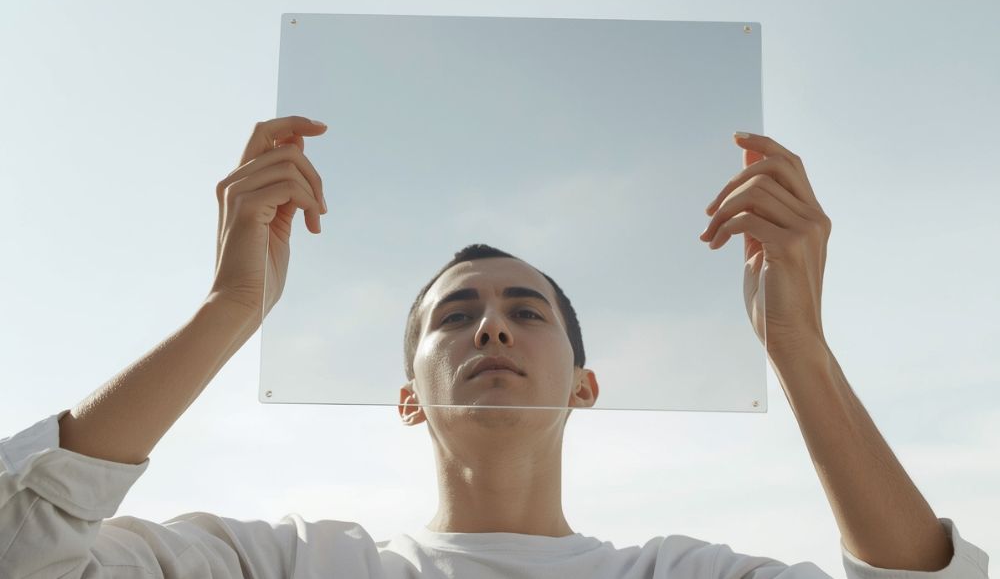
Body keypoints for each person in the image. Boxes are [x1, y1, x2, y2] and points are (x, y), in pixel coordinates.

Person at [0, 116, 989, 579]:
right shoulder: (292, 565)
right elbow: (22, 550)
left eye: (527, 309)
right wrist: (227, 309)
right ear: (407, 397)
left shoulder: (674, 576)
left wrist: (799, 347)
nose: (490, 324)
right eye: (450, 315)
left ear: (586, 384)